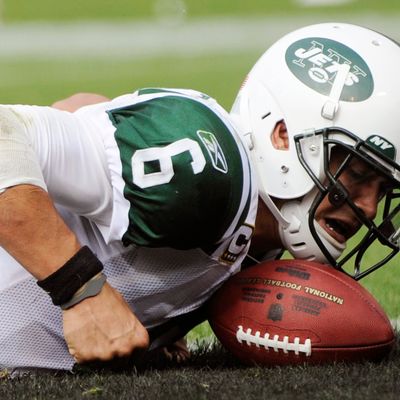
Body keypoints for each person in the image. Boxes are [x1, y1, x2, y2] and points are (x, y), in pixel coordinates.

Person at [1, 22, 400, 371]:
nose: (368, 205)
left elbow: (77, 107)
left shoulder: (261, 241)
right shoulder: (209, 173)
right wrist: (82, 290)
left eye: (382, 189)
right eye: (358, 173)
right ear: (282, 135)